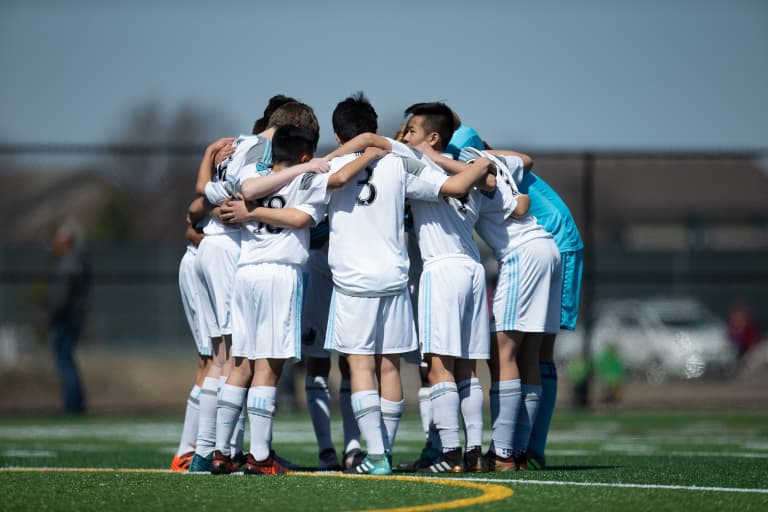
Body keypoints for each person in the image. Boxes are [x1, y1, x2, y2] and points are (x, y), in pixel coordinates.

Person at [322, 94, 495, 475]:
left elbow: (303, 210)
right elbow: (452, 188)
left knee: (361, 366)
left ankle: (377, 455)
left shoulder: (329, 166)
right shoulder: (398, 160)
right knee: (390, 369)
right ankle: (392, 450)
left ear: (338, 135)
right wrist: (484, 166)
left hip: (353, 282)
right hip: (396, 280)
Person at [189, 100, 323, 472]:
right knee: (269, 368)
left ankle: (219, 452)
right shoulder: (308, 176)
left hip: (246, 274)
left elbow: (223, 191)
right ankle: (260, 457)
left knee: (240, 364)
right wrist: (312, 167)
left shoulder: (252, 172)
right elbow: (299, 217)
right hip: (280, 275)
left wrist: (250, 209)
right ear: (306, 152)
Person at [449, 123, 583, 470]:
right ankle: (527, 449)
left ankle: (509, 451)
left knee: (508, 351)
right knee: (532, 354)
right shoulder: (499, 161)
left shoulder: (470, 160)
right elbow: (525, 162)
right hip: (553, 245)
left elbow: (512, 202)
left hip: (538, 246)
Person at [170, 197, 214, 472]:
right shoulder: (237, 159)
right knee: (213, 360)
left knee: (226, 360)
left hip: (216, 264)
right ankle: (189, 450)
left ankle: (222, 448)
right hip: (205, 265)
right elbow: (193, 215)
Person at [47, 219, 90, 415]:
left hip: (65, 319)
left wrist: (52, 314)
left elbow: (62, 296)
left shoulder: (69, 262)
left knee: (65, 362)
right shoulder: (75, 260)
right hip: (69, 318)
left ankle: (73, 404)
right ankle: (75, 402)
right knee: (67, 360)